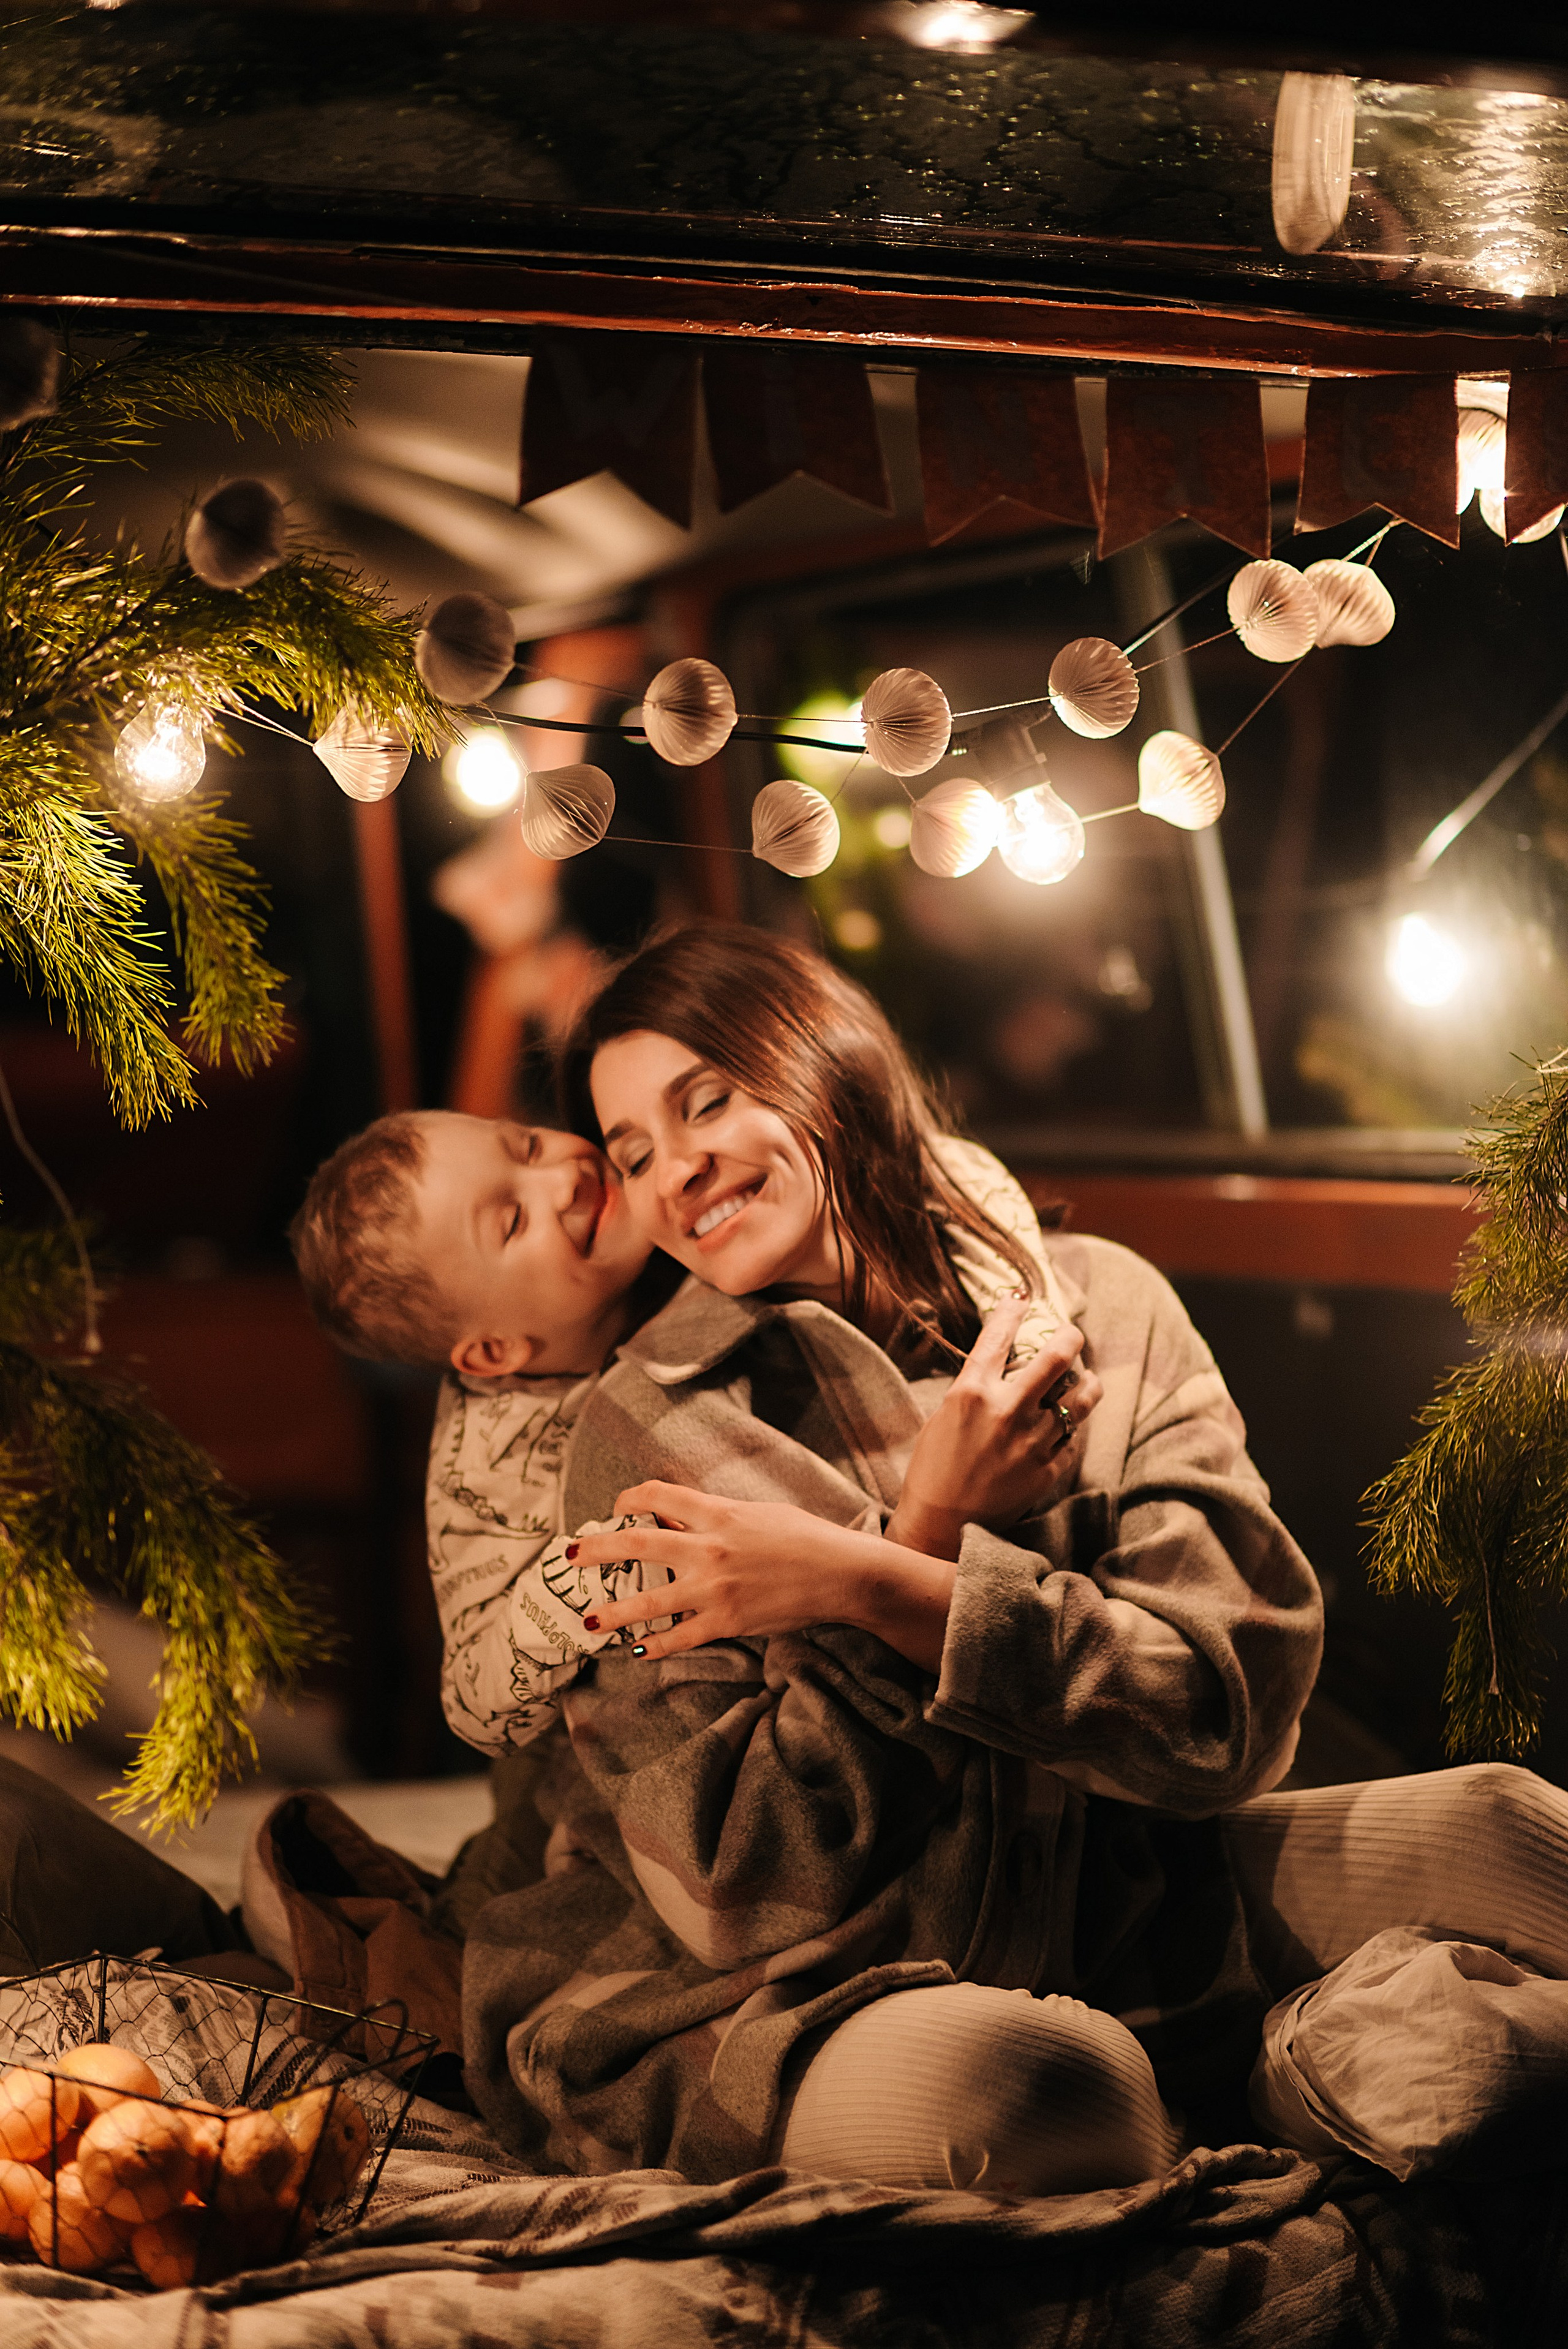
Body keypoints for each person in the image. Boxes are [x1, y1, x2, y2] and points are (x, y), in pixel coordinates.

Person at [458, 926, 1325, 2192]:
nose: (675, 1167)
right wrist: (923, 1534)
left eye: (706, 1101)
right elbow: (740, 1897)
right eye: (634, 1152)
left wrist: (884, 1578)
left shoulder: (1102, 1307)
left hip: (1124, 1923)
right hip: (765, 2003)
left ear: (824, 1066)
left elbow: (1227, 1719)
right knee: (1040, 2087)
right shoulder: (650, 1429)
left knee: (1514, 1827)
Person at [290, 1105, 1095, 1753]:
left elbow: (944, 1164)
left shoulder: (670, 1216)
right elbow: (471, 1703)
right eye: (511, 1221)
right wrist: (618, 1567)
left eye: (526, 1143)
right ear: (494, 1353)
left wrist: (1029, 1327)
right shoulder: (488, 1466)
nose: (562, 1177)